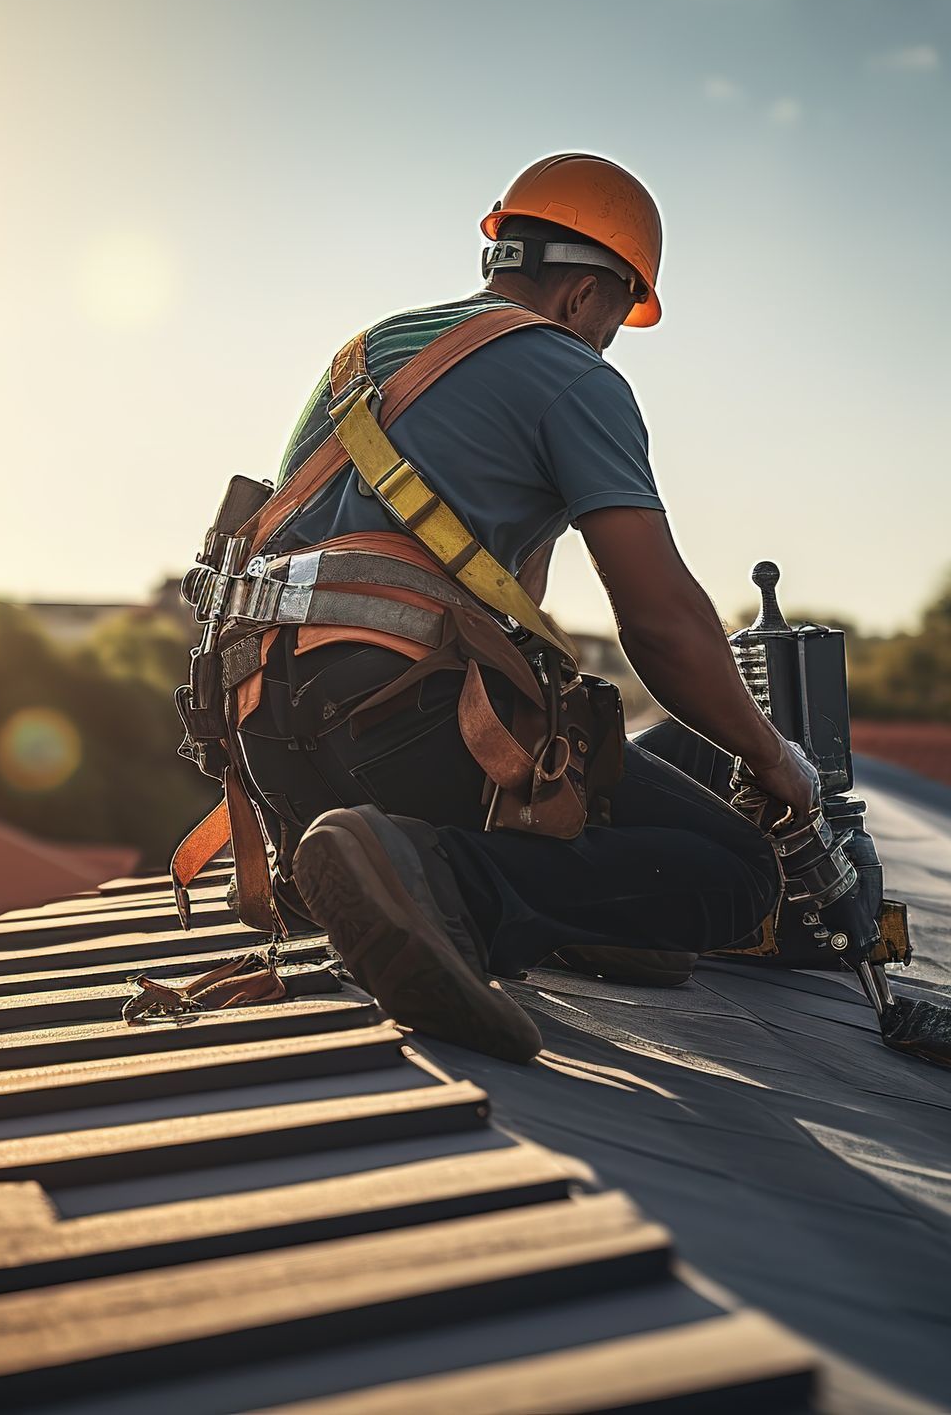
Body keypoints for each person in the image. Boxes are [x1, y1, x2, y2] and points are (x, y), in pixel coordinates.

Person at [199, 153, 819, 1062]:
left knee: (644, 786)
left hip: (267, 744)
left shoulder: (371, 352)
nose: (606, 344)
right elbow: (660, 623)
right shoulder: (571, 373)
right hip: (396, 719)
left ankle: (388, 870)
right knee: (734, 872)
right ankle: (446, 886)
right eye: (614, 321)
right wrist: (774, 759)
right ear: (582, 298)